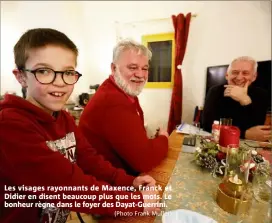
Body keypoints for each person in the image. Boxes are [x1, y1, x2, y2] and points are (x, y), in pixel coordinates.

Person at [0, 29, 161, 223]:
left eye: (68, 72)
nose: (59, 82)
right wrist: (136, 202)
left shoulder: (63, 117)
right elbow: (70, 187)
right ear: (21, 77)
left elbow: (89, 159)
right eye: (44, 71)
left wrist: (129, 181)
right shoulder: (11, 126)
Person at [79, 39, 169, 176]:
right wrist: (163, 138)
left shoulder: (123, 92)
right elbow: (144, 160)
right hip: (108, 184)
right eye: (132, 67)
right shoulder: (113, 101)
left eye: (145, 69)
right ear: (114, 68)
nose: (140, 75)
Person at [202, 56, 271, 142]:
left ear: (254, 77)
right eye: (235, 72)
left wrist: (245, 101)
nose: (239, 77)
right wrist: (244, 134)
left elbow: (256, 130)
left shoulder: (261, 94)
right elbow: (208, 126)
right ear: (227, 75)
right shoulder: (215, 91)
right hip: (220, 141)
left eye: (245, 73)